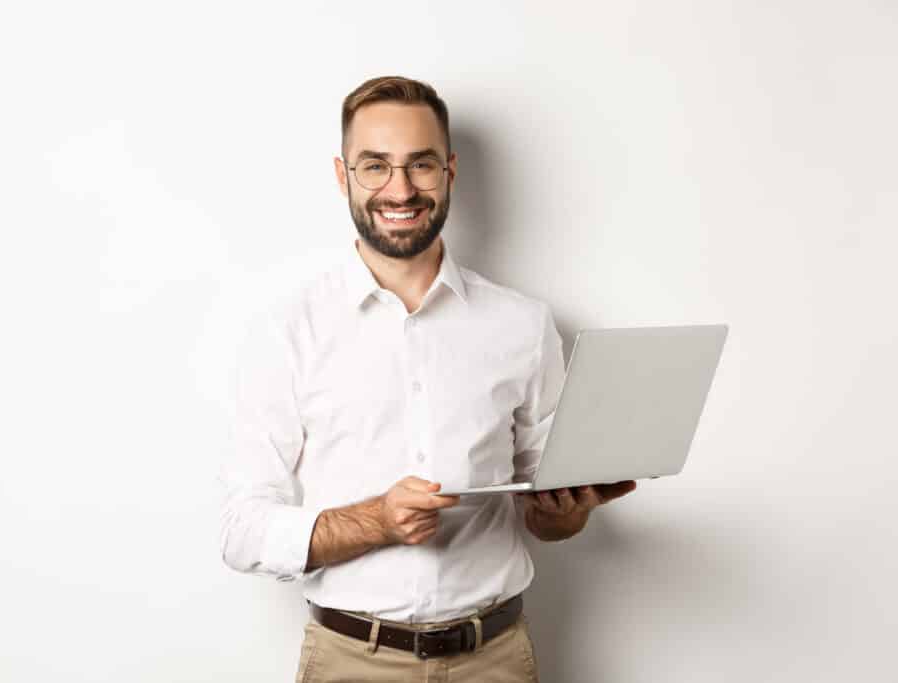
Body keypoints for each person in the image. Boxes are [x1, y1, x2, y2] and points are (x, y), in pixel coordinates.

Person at [219, 75, 637, 682]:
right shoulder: (288, 331)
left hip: (495, 659)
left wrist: (567, 511)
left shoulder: (523, 324)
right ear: (343, 177)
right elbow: (240, 530)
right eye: (375, 166)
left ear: (450, 171)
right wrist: (377, 521)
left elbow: (545, 510)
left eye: (421, 164)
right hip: (350, 662)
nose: (400, 188)